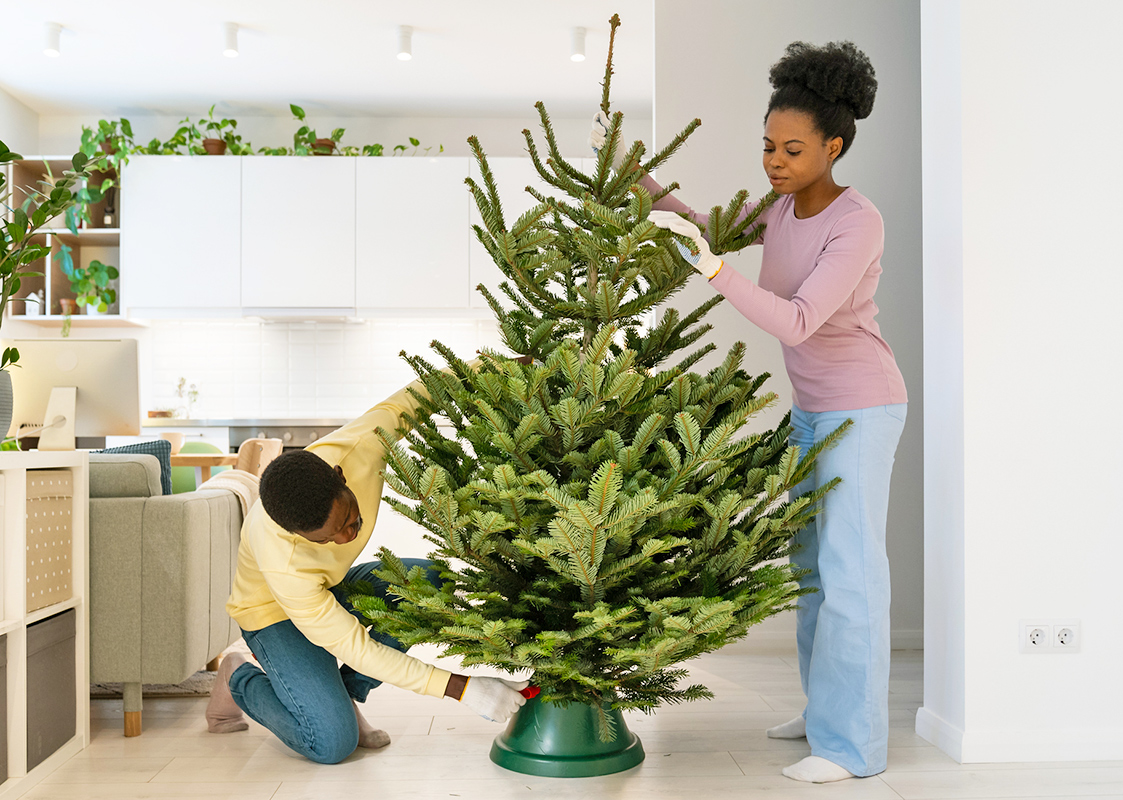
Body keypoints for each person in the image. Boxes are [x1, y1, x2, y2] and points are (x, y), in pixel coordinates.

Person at [590, 41, 906, 783]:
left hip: (862, 407)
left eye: (792, 149)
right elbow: (711, 226)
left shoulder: (858, 221)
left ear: (832, 146)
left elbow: (797, 320)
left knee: (851, 572)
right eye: (768, 146)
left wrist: (711, 270)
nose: (774, 160)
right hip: (811, 409)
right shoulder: (782, 204)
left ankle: (854, 747)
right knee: (808, 570)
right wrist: (643, 179)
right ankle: (822, 710)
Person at [205, 376, 529, 764]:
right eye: (327, 539)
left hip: (330, 590)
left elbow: (414, 397)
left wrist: (497, 368)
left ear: (340, 477)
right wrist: (462, 688)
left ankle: (341, 695)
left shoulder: (358, 446)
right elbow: (355, 647)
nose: (345, 539)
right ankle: (237, 674)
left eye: (349, 520)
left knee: (429, 583)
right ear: (295, 534)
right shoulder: (284, 560)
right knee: (330, 744)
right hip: (272, 616)